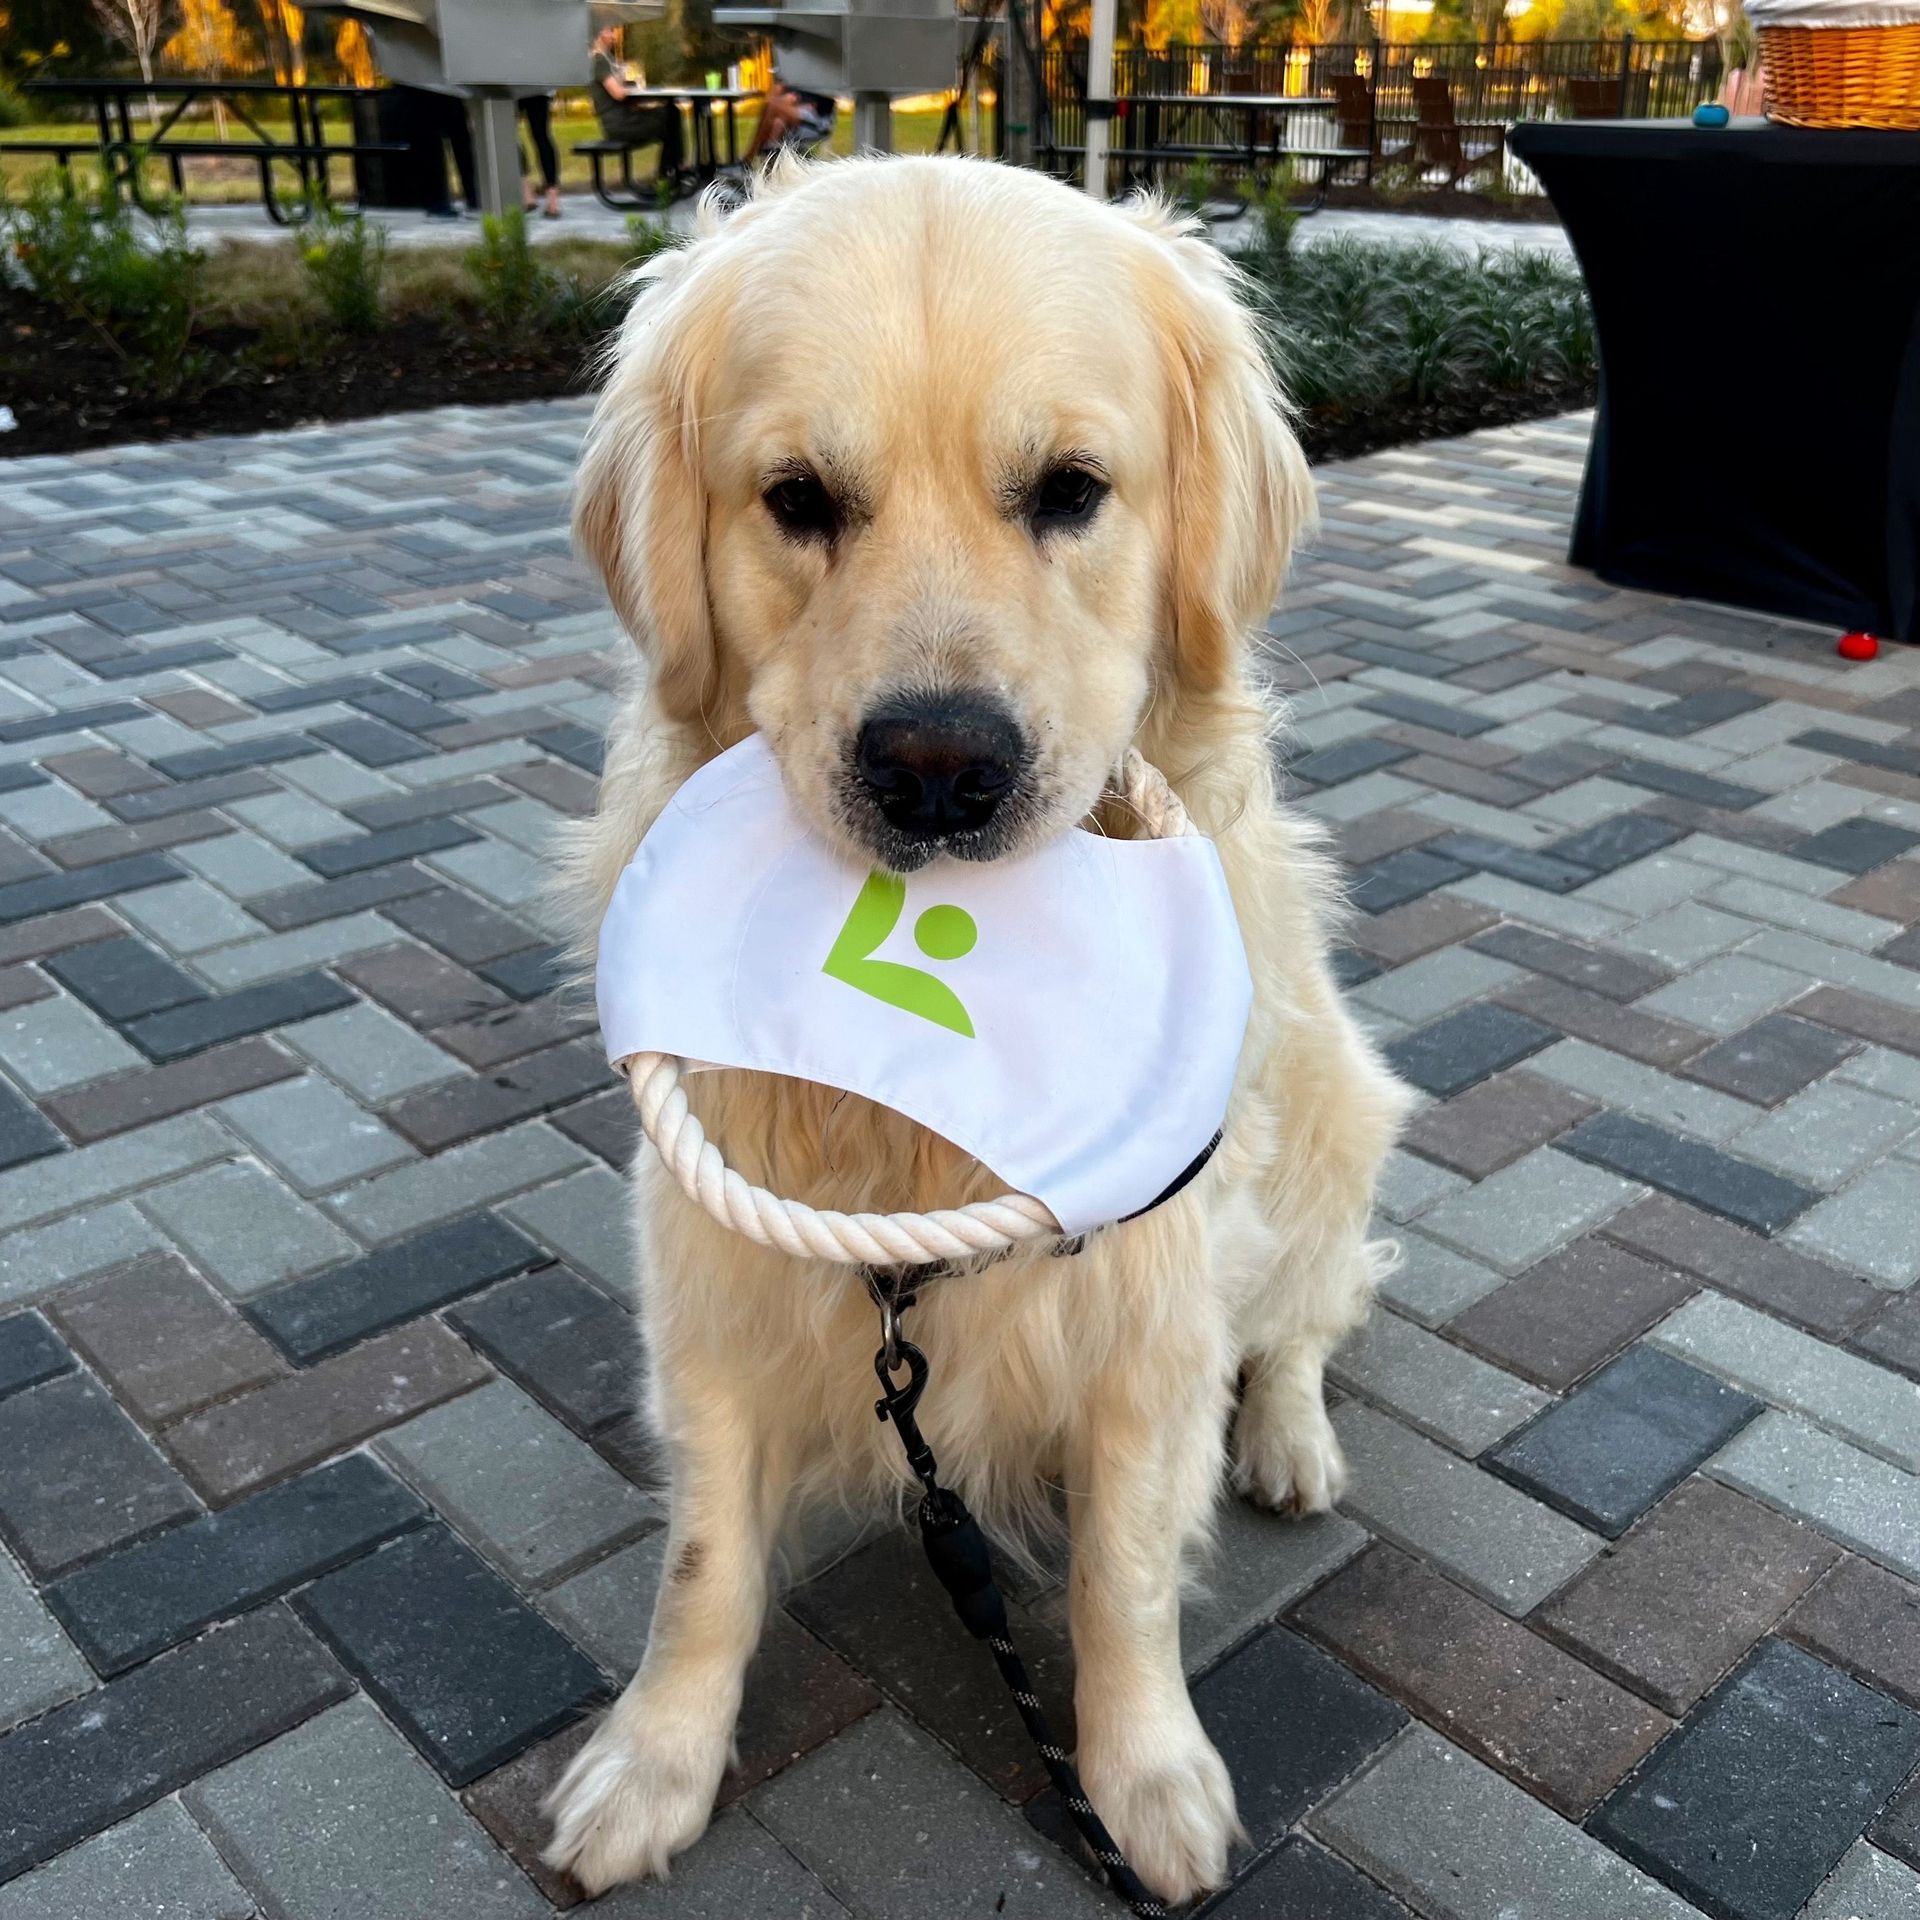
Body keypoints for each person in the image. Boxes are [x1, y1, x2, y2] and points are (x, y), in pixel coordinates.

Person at [589, 24, 686, 189]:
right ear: (598, 34)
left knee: (670, 113)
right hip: (619, 124)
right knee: (670, 118)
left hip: (626, 118)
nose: (614, 35)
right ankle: (669, 173)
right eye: (610, 30)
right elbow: (618, 93)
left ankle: (671, 170)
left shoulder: (607, 59)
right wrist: (632, 87)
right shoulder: (599, 60)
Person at [748, 76, 837, 158]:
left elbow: (818, 104)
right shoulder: (792, 70)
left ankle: (749, 159)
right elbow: (779, 91)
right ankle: (769, 150)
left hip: (817, 120)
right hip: (790, 117)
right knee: (777, 122)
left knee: (772, 106)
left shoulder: (818, 71)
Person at [519, 89, 561, 219]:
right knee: (541, 136)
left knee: (541, 137)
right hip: (536, 83)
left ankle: (531, 195)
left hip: (522, 83)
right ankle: (548, 199)